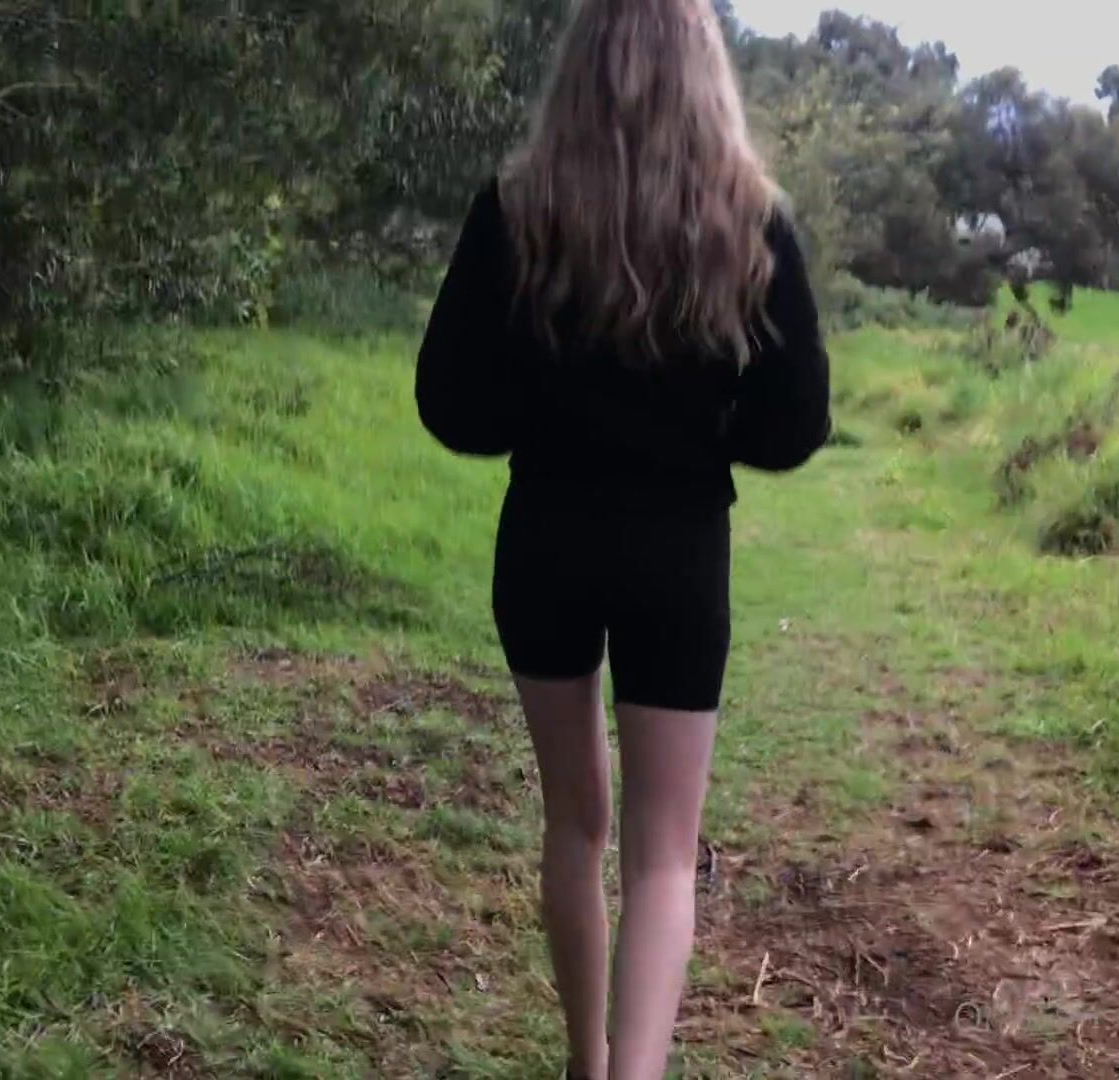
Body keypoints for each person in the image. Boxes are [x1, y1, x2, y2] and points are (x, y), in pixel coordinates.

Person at [413, 0, 830, 1075]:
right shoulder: (750, 215)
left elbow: (449, 401)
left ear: (581, 69)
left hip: (545, 539)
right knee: (662, 856)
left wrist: (546, 413)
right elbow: (797, 424)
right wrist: (703, 430)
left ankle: (585, 1063)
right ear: (705, 74)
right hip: (678, 552)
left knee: (574, 822)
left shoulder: (517, 207)